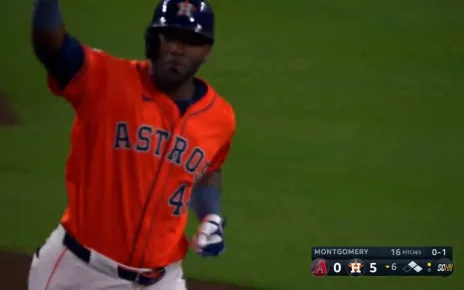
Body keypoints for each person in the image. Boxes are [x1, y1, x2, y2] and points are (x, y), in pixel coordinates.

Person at [28, 0, 236, 289]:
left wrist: (210, 215)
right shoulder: (103, 79)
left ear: (207, 51)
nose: (178, 48)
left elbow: (210, 167)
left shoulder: (220, 117)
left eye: (191, 41)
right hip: (80, 272)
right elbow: (52, 47)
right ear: (152, 40)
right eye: (170, 36)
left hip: (163, 278)